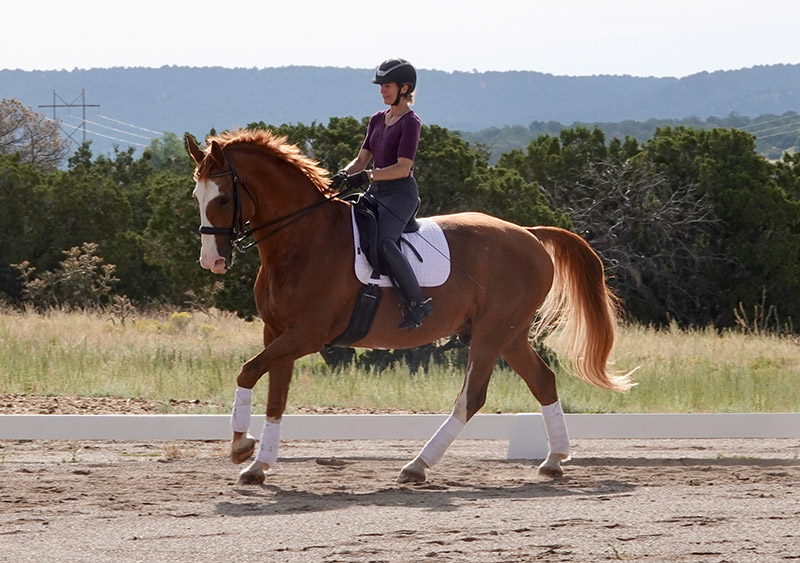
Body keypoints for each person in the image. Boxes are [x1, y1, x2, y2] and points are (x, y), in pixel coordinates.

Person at [332, 58, 433, 330]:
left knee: (385, 243)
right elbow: (361, 159)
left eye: (387, 86)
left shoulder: (411, 122)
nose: (382, 91)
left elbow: (403, 168)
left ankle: (418, 303)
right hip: (375, 192)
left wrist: (367, 176)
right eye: (381, 86)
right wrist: (341, 175)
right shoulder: (377, 119)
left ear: (404, 88)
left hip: (400, 195)